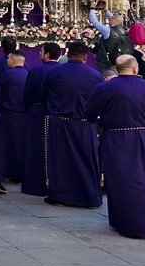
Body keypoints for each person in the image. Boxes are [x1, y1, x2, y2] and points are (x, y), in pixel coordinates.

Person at [83, 54, 145, 238]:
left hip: (116, 137)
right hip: (143, 137)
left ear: (117, 69)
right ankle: (137, 222)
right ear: (136, 68)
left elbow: (90, 112)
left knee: (118, 179)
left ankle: (121, 220)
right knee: (142, 179)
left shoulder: (106, 87)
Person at [42, 41, 104, 208]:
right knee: (86, 160)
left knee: (60, 160)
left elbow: (44, 94)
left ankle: (60, 195)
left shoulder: (55, 73)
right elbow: (99, 100)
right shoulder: (95, 75)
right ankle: (88, 197)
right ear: (85, 57)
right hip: (84, 124)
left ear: (67, 54)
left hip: (59, 122)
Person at [21, 42, 61, 196]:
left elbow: (28, 94)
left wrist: (29, 109)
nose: (39, 54)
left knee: (35, 148)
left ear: (48, 54)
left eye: (42, 51)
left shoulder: (36, 71)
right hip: (57, 114)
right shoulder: (61, 71)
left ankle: (35, 184)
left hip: (37, 112)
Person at [0, 52, 28, 184]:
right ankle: (20, 172)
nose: (7, 60)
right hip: (24, 114)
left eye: (9, 58)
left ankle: (6, 171)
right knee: (21, 144)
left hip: (8, 113)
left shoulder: (7, 74)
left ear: (14, 60)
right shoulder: (28, 73)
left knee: (6, 144)